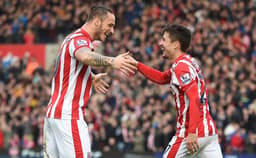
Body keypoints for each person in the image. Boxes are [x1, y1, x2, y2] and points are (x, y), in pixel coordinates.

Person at [43, 6, 137, 158]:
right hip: (69, 117)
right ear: (97, 22)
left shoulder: (71, 38)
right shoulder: (80, 40)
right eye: (110, 25)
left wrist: (90, 77)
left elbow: (69, 66)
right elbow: (85, 57)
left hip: (54, 115)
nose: (112, 31)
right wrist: (112, 61)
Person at [128, 24, 223, 157]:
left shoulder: (181, 68)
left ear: (176, 45)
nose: (160, 43)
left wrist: (191, 132)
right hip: (209, 133)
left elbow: (194, 98)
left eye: (164, 40)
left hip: (189, 133)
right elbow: (161, 78)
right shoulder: (188, 62)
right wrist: (137, 65)